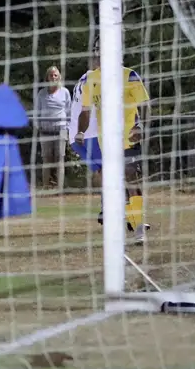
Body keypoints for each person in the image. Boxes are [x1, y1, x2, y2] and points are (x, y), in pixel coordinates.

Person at [74, 52, 151, 243]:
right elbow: (85, 111)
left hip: (128, 138)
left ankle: (139, 227)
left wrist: (140, 125)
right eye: (98, 55)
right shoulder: (91, 79)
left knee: (131, 176)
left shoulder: (129, 75)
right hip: (105, 142)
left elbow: (145, 104)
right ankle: (119, 219)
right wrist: (80, 132)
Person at [33, 65, 72, 189]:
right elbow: (36, 111)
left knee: (60, 159)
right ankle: (46, 186)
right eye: (51, 75)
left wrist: (68, 127)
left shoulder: (65, 92)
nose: (53, 77)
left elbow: (69, 111)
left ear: (59, 77)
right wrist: (38, 126)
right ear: (47, 77)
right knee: (46, 160)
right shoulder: (41, 93)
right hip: (45, 130)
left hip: (61, 129)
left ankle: (59, 188)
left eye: (56, 75)